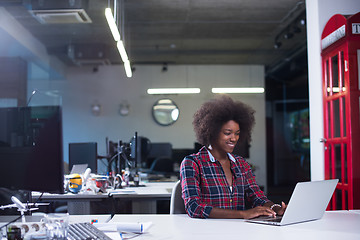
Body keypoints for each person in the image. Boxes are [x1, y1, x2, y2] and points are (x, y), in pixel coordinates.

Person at [180, 95, 286, 219]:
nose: (234, 138)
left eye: (237, 134)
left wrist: (275, 208)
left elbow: (257, 197)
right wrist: (243, 214)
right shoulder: (192, 163)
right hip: (206, 232)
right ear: (212, 132)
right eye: (227, 133)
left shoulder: (241, 164)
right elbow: (194, 207)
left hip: (238, 232)